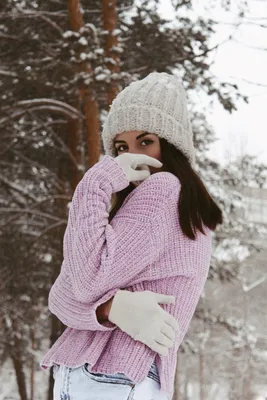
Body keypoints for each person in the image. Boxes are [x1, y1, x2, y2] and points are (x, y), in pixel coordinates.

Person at [40, 72, 223, 400]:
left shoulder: (164, 190)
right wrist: (108, 308)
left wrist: (97, 182)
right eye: (121, 148)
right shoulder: (153, 211)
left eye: (145, 142)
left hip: (112, 376)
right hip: (110, 378)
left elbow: (84, 282)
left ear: (171, 145)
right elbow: (59, 298)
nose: (131, 157)